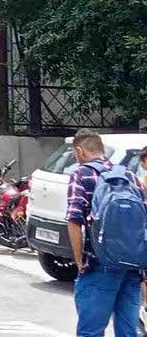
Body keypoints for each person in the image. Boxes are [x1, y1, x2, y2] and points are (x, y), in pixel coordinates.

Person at [67, 130, 145, 337]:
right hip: (132, 266)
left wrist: (79, 262)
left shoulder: (81, 174)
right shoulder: (129, 175)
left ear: (79, 151)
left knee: (91, 331)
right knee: (128, 332)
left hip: (99, 263)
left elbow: (74, 220)